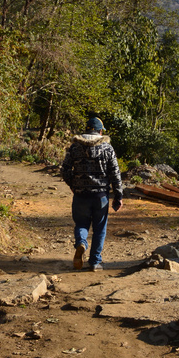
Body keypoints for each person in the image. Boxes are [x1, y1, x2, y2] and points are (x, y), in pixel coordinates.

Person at [59, 115, 123, 271]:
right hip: (100, 196)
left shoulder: (75, 147)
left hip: (81, 195)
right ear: (100, 131)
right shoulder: (107, 148)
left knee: (81, 224)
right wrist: (118, 196)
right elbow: (115, 173)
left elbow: (65, 170)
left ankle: (81, 242)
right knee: (99, 228)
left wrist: (73, 185)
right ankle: (94, 262)